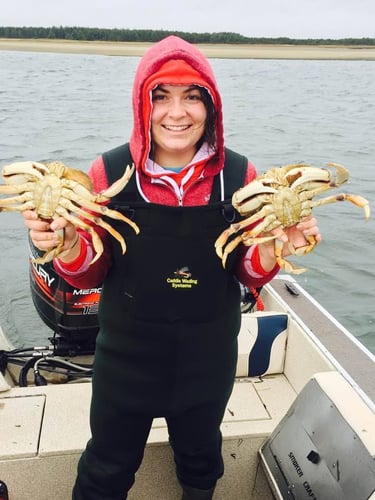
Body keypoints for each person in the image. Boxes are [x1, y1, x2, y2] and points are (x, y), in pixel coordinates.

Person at [23, 35, 321, 500]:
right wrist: (63, 245)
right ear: (142, 104)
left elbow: (247, 271)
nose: (176, 113)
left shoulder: (241, 177)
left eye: (192, 97)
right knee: (105, 468)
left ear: (211, 105)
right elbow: (89, 275)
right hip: (126, 358)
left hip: (208, 358)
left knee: (202, 463)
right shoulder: (107, 173)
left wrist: (273, 249)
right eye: (160, 96)